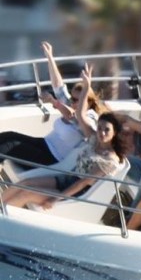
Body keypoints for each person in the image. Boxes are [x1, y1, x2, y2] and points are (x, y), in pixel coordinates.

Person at [2, 65, 126, 209]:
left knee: (26, 193)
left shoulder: (109, 160)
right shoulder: (94, 139)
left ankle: (3, 219)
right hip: (65, 178)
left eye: (106, 130)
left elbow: (83, 183)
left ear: (115, 133)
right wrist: (87, 86)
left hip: (73, 192)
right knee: (23, 184)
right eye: (100, 128)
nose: (102, 132)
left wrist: (55, 199)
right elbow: (79, 114)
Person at [0, 41, 104, 168]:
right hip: (43, 144)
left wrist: (55, 102)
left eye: (77, 100)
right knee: (7, 136)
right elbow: (58, 86)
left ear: (89, 102)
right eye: (72, 98)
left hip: (50, 159)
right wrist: (50, 56)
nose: (72, 102)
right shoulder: (70, 105)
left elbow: (75, 118)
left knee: (6, 147)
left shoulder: (91, 118)